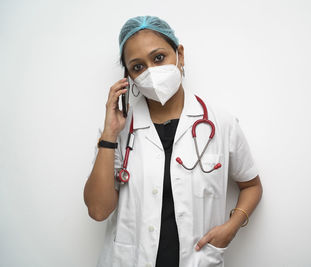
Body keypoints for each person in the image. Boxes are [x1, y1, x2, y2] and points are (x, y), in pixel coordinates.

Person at [84, 15, 263, 267]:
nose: (151, 72)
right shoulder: (119, 132)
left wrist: (232, 226)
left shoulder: (221, 123)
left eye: (158, 58)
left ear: (179, 54)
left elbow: (251, 185)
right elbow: (98, 211)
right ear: (129, 77)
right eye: (138, 67)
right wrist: (109, 135)